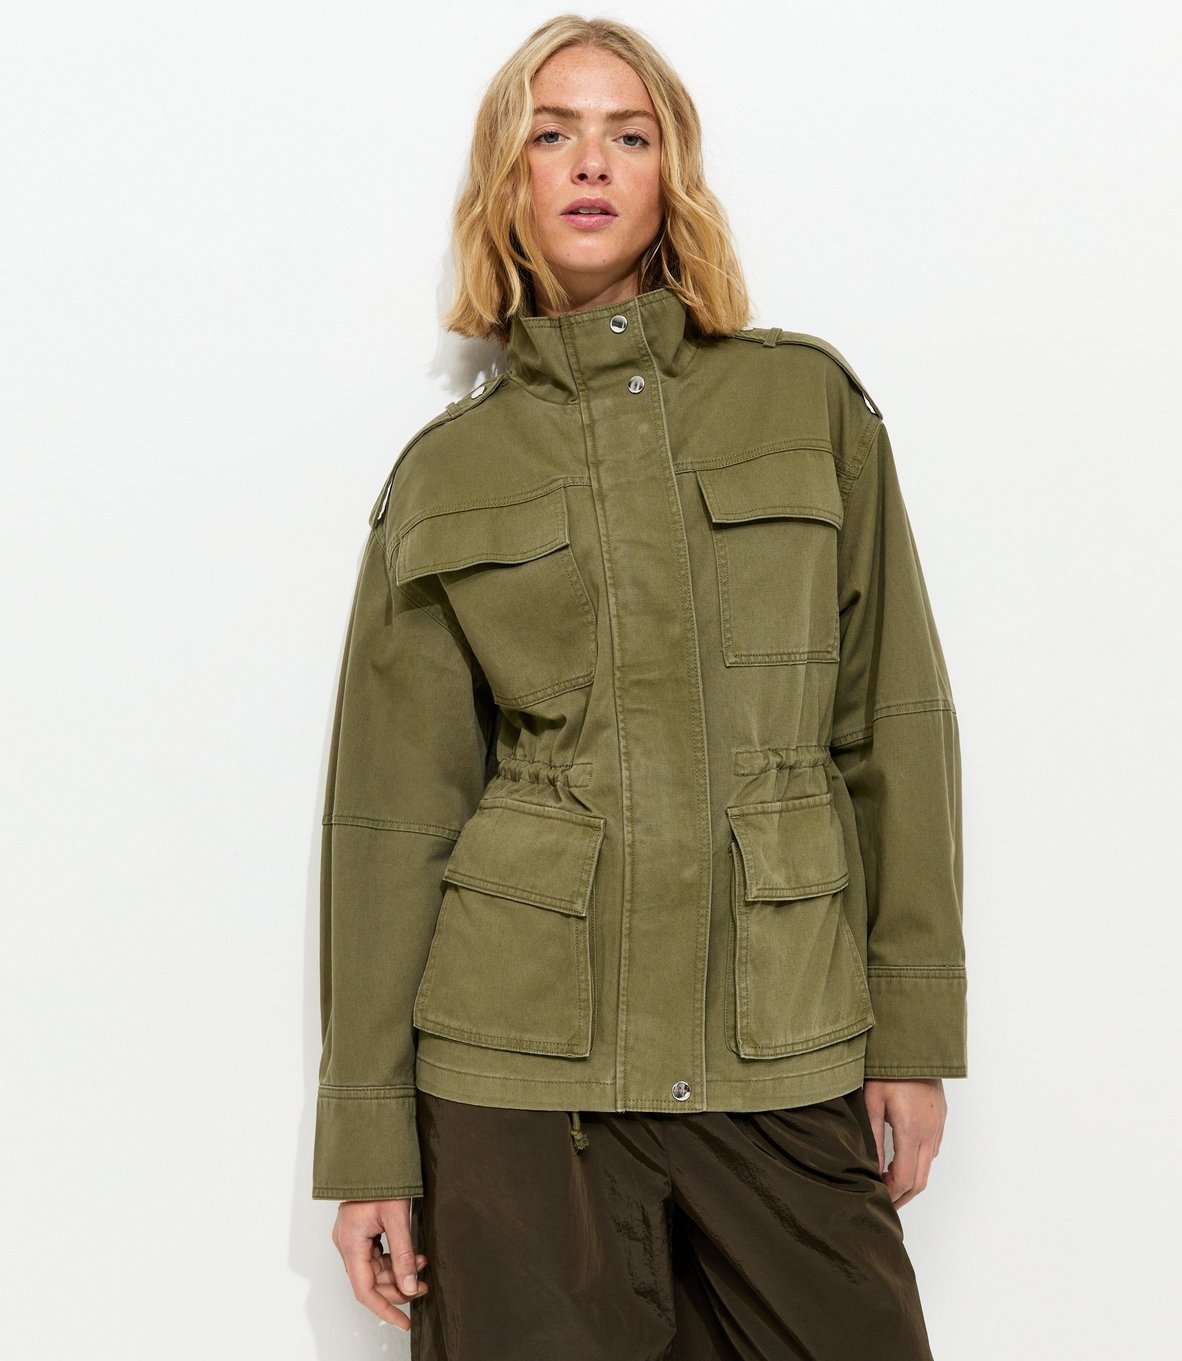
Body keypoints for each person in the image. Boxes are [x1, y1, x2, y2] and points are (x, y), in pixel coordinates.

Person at [312, 14, 967, 1360]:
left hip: (779, 1038)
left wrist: (911, 1032)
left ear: (673, 173)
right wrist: (369, 1136)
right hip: (518, 1070)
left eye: (629, 133)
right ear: (507, 181)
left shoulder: (805, 404)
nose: (590, 162)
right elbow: (391, 817)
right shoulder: (448, 473)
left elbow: (891, 723)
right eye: (550, 134)